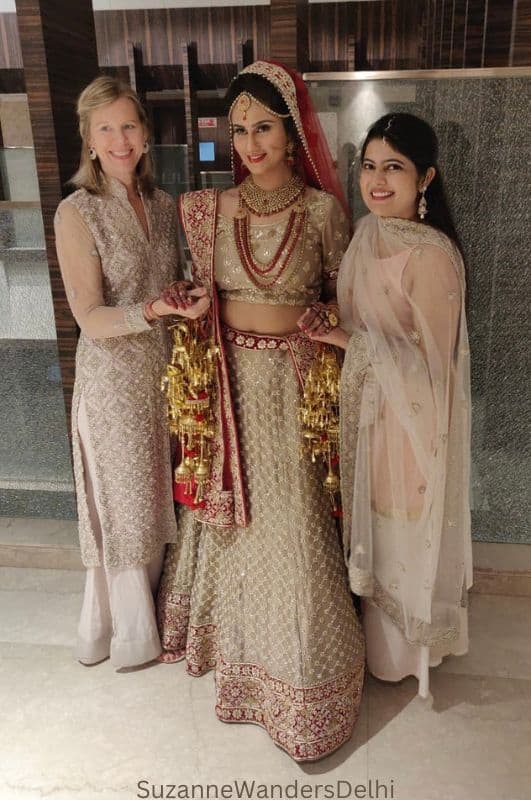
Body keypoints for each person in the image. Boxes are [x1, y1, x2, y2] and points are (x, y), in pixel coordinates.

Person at [156, 60, 365, 761]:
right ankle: (232, 650)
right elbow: (200, 293)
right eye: (238, 128)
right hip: (230, 384)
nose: (249, 142)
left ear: (292, 129)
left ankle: (301, 672)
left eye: (264, 127)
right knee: (233, 519)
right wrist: (189, 306)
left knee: (295, 518)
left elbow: (345, 297)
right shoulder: (205, 210)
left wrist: (324, 319)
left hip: (295, 385)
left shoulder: (322, 211)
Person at [310, 113, 472, 698]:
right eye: (369, 166)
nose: (378, 181)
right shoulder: (363, 233)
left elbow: (432, 369)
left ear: (425, 177)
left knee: (399, 529)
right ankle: (381, 645)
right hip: (366, 412)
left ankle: (408, 654)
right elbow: (360, 320)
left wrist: (347, 342)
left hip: (410, 421)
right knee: (370, 524)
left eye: (394, 168)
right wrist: (333, 326)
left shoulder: (431, 256)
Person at [54, 76, 209, 670]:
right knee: (123, 504)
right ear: (89, 141)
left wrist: (187, 297)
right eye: (105, 129)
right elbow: (90, 317)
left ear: (145, 133)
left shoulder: (165, 204)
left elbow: (170, 285)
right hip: (113, 380)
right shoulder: (78, 212)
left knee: (157, 497)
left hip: (165, 376)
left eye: (129, 126)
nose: (120, 140)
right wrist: (153, 310)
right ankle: (128, 634)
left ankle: (156, 617)